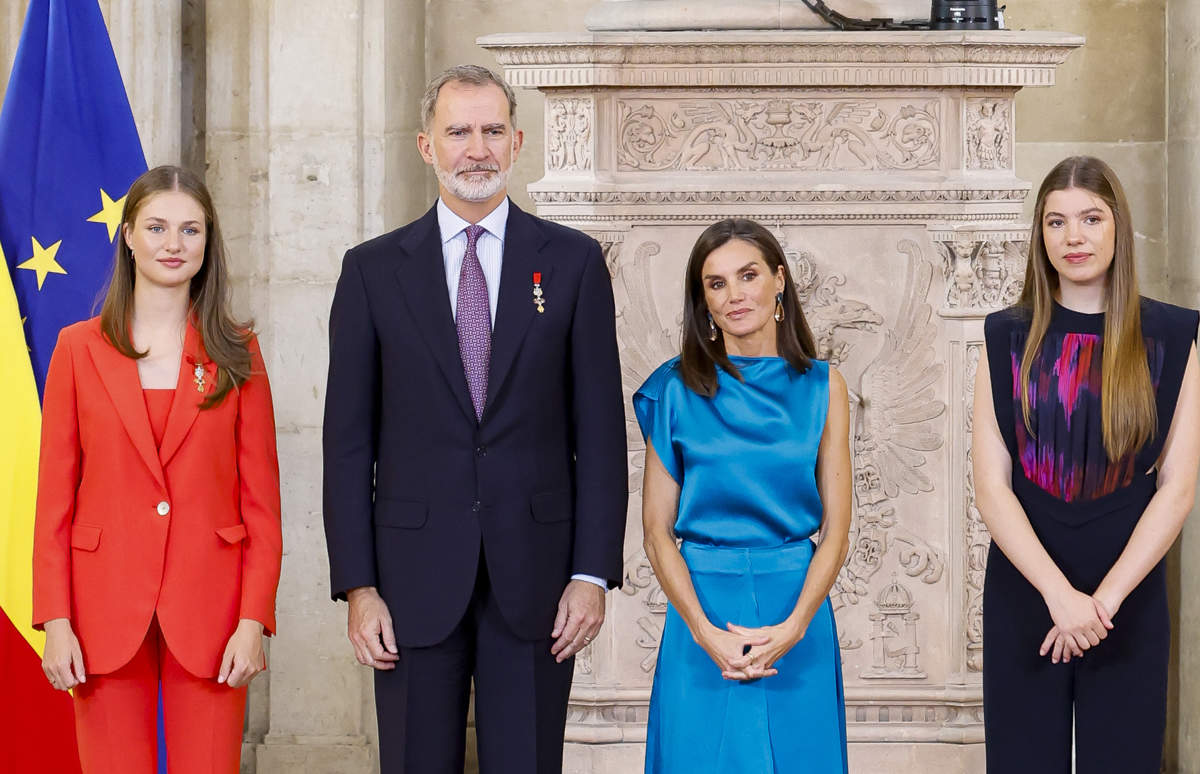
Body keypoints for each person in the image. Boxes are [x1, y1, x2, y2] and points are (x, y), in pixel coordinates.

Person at [321, 64, 627, 774]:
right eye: (458, 131)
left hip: (540, 580)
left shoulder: (574, 263)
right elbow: (347, 445)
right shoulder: (371, 272)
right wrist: (359, 587)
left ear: (517, 142)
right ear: (426, 146)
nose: (477, 149)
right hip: (409, 581)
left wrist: (592, 574)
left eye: (492, 131)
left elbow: (600, 436)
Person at [32, 164, 283, 773]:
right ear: (128, 236)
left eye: (190, 230)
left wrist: (253, 620)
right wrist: (56, 621)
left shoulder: (238, 352)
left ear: (208, 242)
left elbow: (262, 506)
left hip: (212, 615)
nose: (174, 244)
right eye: (157, 227)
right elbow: (53, 504)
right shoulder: (78, 349)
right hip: (99, 613)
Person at [975, 156, 1200, 773]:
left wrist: (1101, 604)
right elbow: (991, 487)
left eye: (1091, 218)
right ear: (1040, 235)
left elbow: (1177, 487)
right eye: (1056, 222)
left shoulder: (1174, 334)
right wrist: (1059, 595)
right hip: (1026, 590)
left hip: (1128, 594)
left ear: (1117, 225)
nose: (1073, 236)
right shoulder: (1003, 335)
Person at [635, 218, 851, 773]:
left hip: (796, 609)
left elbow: (837, 530)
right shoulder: (673, 389)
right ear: (703, 302)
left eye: (748, 275)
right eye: (717, 283)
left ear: (779, 280)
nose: (734, 294)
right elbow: (656, 532)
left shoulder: (824, 387)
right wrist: (704, 632)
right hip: (701, 611)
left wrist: (795, 627)